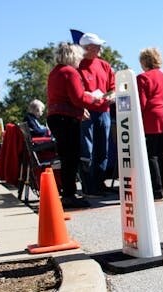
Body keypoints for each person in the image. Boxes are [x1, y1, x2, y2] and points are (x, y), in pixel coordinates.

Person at [46, 42, 108, 208]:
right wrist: (98, 100)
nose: (80, 59)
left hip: (57, 116)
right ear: (72, 56)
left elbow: (67, 96)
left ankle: (68, 193)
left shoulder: (55, 72)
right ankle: (69, 195)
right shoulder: (69, 72)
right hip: (66, 118)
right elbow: (78, 98)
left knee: (67, 157)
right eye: (79, 56)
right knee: (71, 158)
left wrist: (80, 107)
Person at [78, 32, 115, 196]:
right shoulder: (77, 65)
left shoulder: (105, 65)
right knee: (88, 149)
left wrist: (112, 95)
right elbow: (75, 90)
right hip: (86, 112)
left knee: (103, 150)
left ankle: (99, 183)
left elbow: (112, 87)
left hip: (104, 111)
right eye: (97, 46)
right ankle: (88, 186)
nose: (101, 48)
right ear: (88, 48)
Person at [137, 47, 163, 200]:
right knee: (162, 154)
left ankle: (156, 189)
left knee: (151, 155)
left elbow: (140, 103)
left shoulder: (143, 78)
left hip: (151, 119)